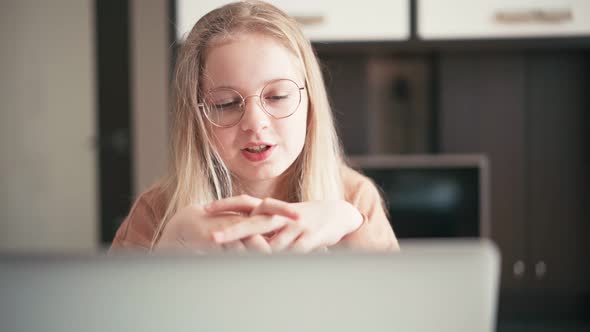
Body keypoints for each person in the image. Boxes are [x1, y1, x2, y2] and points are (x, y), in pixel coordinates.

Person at [110, 0, 398, 253]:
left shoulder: (354, 196)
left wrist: (352, 225)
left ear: (311, 102)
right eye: (224, 103)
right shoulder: (157, 210)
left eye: (277, 96)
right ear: (196, 119)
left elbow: (395, 307)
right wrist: (171, 245)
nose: (255, 123)